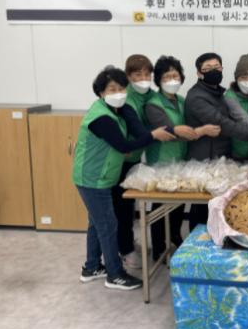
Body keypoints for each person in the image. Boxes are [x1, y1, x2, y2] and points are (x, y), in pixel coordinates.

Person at [72, 66, 173, 290]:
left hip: (101, 176)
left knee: (97, 223)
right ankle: (115, 274)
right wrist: (153, 135)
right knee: (108, 225)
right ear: (100, 92)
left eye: (121, 88)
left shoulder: (118, 109)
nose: (118, 93)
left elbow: (134, 133)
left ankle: (91, 267)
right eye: (112, 89)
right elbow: (124, 146)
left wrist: (148, 135)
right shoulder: (101, 117)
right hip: (92, 179)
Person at [185, 52, 248, 229]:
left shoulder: (218, 93)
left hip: (220, 158)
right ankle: (197, 243)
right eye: (208, 68)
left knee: (219, 207)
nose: (213, 71)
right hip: (204, 160)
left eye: (217, 67)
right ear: (198, 73)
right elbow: (223, 123)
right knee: (202, 207)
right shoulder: (197, 97)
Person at [145, 56, 220, 259]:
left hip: (180, 160)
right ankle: (159, 248)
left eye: (175, 76)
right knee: (160, 206)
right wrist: (202, 131)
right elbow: (171, 132)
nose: (172, 80)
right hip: (162, 162)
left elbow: (186, 127)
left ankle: (175, 237)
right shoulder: (153, 104)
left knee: (177, 204)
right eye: (167, 77)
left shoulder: (181, 100)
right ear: (158, 80)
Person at [111, 54, 154, 270]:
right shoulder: (126, 99)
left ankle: (126, 243)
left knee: (129, 207)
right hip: (121, 161)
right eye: (138, 75)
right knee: (121, 208)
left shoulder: (149, 96)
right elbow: (138, 130)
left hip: (135, 158)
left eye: (147, 74)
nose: (143, 79)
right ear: (128, 76)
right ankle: (125, 250)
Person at [224, 54, 248, 161]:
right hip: (235, 153)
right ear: (236, 78)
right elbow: (242, 117)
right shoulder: (230, 96)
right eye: (243, 78)